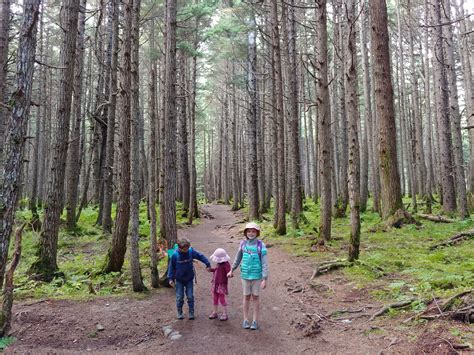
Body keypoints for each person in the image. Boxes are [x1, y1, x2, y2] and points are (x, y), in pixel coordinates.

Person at [227, 222, 268, 330]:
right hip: (245, 275)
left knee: (255, 297)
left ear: (257, 233)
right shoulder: (243, 244)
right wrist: (232, 270)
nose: (251, 233)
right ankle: (245, 319)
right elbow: (237, 258)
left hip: (257, 276)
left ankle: (255, 320)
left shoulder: (260, 245)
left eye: (253, 231)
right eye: (249, 231)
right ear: (245, 232)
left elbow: (264, 263)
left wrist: (264, 278)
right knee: (246, 296)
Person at [167, 237, 212, 320]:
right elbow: (171, 268)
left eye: (187, 248)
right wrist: (170, 279)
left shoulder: (191, 252)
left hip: (189, 279)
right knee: (179, 297)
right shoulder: (175, 255)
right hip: (179, 280)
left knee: (190, 296)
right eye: (185, 249)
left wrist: (207, 263)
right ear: (180, 248)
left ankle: (191, 312)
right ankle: (179, 311)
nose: (186, 250)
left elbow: (200, 256)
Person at [208, 248, 231, 321]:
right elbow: (216, 269)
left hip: (221, 284)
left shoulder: (226, 264)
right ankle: (215, 312)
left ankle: (225, 313)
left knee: (221, 298)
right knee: (215, 298)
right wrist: (211, 270)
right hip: (215, 283)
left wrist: (229, 274)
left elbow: (229, 272)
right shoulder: (219, 263)